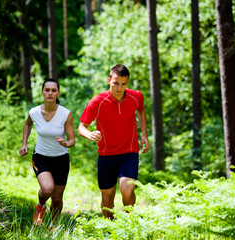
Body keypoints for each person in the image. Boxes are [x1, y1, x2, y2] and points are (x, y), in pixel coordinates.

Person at [78, 64, 150, 219]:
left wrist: (144, 134)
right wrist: (89, 134)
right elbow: (81, 126)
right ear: (109, 80)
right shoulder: (97, 101)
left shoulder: (135, 96)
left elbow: (141, 111)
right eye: (116, 83)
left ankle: (129, 224)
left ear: (127, 83)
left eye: (123, 84)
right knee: (107, 197)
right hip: (106, 154)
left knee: (127, 190)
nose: (119, 88)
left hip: (129, 153)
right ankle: (109, 229)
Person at [19, 78, 75, 228]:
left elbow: (72, 141)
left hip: (61, 159)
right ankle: (40, 206)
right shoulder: (34, 112)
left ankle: (53, 225)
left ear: (58, 93)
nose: (50, 93)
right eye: (47, 90)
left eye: (53, 90)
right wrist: (24, 143)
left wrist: (66, 143)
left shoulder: (65, 114)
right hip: (41, 157)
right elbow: (27, 124)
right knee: (48, 189)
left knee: (57, 199)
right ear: (43, 92)